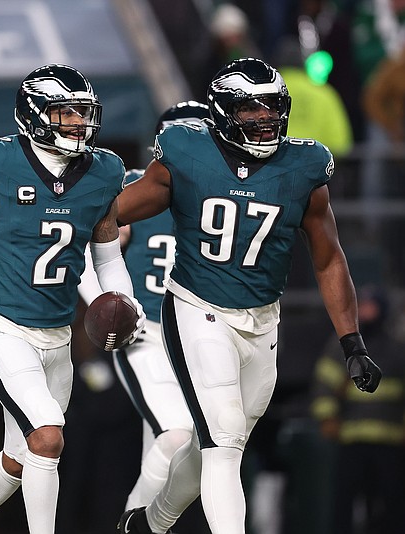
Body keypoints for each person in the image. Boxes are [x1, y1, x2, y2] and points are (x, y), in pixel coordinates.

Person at [115, 57, 382, 534]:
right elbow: (112, 214)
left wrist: (352, 342)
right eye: (250, 109)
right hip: (197, 308)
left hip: (263, 320)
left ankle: (150, 524)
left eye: (272, 107)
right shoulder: (185, 151)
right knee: (224, 436)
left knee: (211, 443)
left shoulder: (303, 166)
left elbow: (328, 257)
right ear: (220, 113)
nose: (264, 118)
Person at [0, 63, 144, 534]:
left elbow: (105, 256)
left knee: (19, 458)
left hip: (57, 336)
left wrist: (122, 299)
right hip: (2, 329)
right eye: (66, 114)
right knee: (46, 437)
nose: (79, 124)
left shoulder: (102, 172)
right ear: (35, 116)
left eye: (83, 114)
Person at [78, 101, 210, 515]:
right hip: (148, 333)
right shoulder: (135, 188)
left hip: (202, 337)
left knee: (189, 447)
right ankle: (134, 522)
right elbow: (87, 253)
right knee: (175, 436)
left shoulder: (224, 195)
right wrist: (104, 305)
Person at [311, 284, 405, 534]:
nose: (365, 311)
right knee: (344, 503)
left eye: (370, 305)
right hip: (350, 437)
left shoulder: (396, 347)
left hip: (391, 440)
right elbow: (323, 385)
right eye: (361, 305)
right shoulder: (342, 347)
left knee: (393, 505)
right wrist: (327, 417)